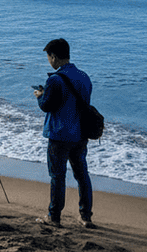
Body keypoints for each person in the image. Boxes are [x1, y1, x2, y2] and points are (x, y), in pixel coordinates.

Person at [33, 38, 94, 228]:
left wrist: (40, 96)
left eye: (49, 57)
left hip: (59, 135)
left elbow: (46, 106)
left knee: (58, 177)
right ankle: (85, 216)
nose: (49, 61)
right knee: (82, 175)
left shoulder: (55, 80)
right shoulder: (84, 76)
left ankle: (54, 217)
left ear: (54, 57)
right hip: (80, 134)